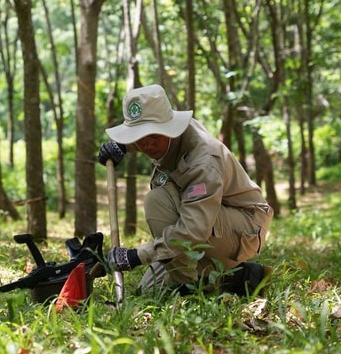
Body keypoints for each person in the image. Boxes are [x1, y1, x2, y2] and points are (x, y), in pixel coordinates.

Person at [97, 84, 272, 296]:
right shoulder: (169, 137)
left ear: (169, 128)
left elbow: (193, 229)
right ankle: (236, 277)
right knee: (150, 291)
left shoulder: (203, 161)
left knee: (157, 201)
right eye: (138, 137)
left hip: (245, 226)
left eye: (153, 136)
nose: (147, 145)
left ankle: (192, 288)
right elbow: (148, 138)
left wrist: (135, 256)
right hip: (207, 219)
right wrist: (123, 145)